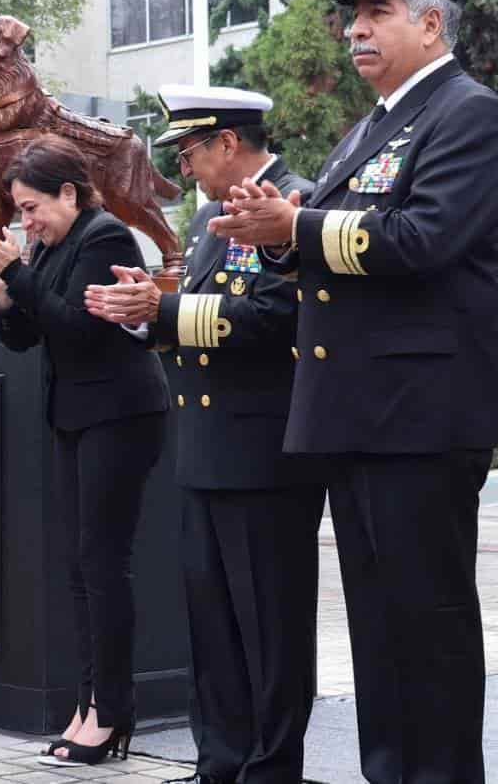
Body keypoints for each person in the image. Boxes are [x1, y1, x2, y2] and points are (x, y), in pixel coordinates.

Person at [209, 0, 498, 781]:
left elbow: (422, 240)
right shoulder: (368, 129)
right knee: (379, 633)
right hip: (356, 413)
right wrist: (273, 233)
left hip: (418, 413)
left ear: (431, 22)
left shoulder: (467, 112)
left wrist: (295, 228)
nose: (354, 30)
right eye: (350, 16)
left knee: (428, 626)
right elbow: (329, 249)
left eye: (376, 12)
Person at [86, 86, 324, 784]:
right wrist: (146, 313)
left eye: (188, 152)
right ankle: (219, 762)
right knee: (211, 628)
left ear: (227, 141)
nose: (183, 170)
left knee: (270, 630)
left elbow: (277, 318)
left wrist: (165, 310)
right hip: (204, 451)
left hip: (265, 454)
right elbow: (191, 327)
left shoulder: (295, 204)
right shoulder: (204, 223)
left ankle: (271, 769)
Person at [0, 134, 168, 768]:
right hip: (76, 416)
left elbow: (79, 327)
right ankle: (88, 703)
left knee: (102, 565)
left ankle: (112, 712)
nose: (26, 221)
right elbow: (27, 334)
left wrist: (17, 274)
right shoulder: (51, 246)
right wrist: (3, 289)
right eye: (18, 211)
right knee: (80, 569)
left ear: (69, 193)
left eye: (32, 208)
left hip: (119, 414)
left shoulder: (103, 236)